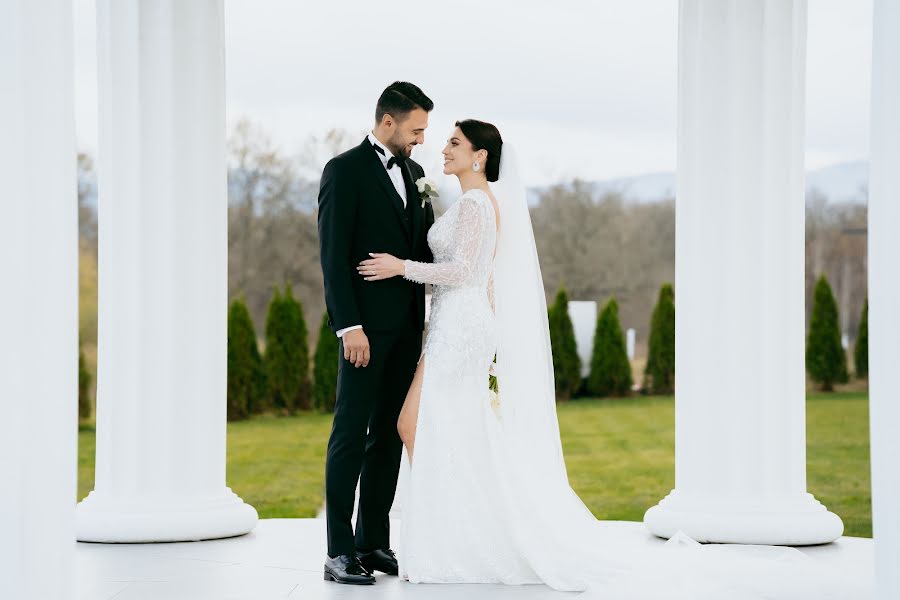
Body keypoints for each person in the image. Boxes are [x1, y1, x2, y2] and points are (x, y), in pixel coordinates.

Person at [357, 120, 856, 599]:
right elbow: (484, 279)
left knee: (417, 424)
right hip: (458, 323)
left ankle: (462, 532)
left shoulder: (475, 206)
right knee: (447, 427)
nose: (444, 148)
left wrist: (402, 267)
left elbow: (465, 270)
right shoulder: (477, 202)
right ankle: (461, 529)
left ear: (480, 156)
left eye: (455, 142)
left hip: (459, 324)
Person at [317, 81, 435, 585]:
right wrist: (350, 326)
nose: (422, 140)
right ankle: (339, 551)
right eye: (416, 130)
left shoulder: (416, 173)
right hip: (362, 332)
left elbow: (419, 255)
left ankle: (373, 541)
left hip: (408, 331)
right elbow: (334, 256)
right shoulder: (343, 171)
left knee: (388, 435)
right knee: (350, 434)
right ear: (388, 122)